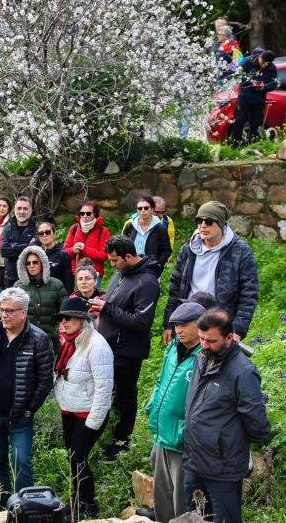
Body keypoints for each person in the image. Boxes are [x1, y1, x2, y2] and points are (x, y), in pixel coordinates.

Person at [182, 309, 271, 523]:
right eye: (201, 338)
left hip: (222, 466)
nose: (203, 345)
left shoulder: (243, 372)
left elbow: (255, 420)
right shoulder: (202, 358)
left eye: (211, 341)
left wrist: (231, 442)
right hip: (194, 459)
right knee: (194, 517)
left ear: (229, 337)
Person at [0, 287, 54, 508]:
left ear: (23, 313)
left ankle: (25, 506)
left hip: (20, 415)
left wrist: (30, 408)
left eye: (9, 311)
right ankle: (3, 503)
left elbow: (45, 380)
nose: (4, 315)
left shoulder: (38, 338)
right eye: (2, 310)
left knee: (21, 461)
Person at [92, 235, 161, 461]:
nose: (112, 266)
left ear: (129, 257)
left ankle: (121, 444)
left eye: (114, 261)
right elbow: (113, 302)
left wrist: (107, 308)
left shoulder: (147, 282)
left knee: (124, 397)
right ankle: (108, 436)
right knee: (108, 394)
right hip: (109, 345)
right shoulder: (122, 273)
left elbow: (142, 322)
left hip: (127, 351)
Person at [163, 200, 259, 345]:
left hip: (218, 325)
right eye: (199, 220)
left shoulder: (240, 251)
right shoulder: (188, 249)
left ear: (221, 224)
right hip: (188, 321)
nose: (203, 225)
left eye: (208, 221)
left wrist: (237, 331)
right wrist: (169, 323)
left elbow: (249, 294)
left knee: (212, 366)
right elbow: (175, 288)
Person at [143, 302, 206, 523]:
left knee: (182, 502)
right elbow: (161, 380)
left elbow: (205, 404)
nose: (178, 330)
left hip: (182, 439)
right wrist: (152, 406)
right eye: (176, 325)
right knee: (163, 498)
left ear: (200, 325)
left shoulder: (206, 356)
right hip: (162, 433)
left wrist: (183, 430)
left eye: (184, 325)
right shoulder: (173, 347)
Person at [53, 297, 114, 521]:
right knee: (73, 458)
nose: (63, 322)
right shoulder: (71, 342)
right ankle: (76, 501)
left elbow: (104, 387)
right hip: (70, 410)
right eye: (61, 318)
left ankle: (87, 505)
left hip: (87, 413)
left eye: (68, 318)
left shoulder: (97, 346)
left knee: (77, 458)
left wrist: (94, 421)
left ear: (81, 319)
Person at [14, 246, 68, 352]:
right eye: (28, 263)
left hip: (51, 342)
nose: (31, 266)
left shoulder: (56, 285)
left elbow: (65, 313)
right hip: (26, 341)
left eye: (35, 262)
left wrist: (57, 332)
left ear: (43, 263)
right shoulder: (18, 286)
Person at [230, 49, 281, 146]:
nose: (264, 65)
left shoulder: (272, 68)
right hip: (244, 97)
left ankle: (253, 145)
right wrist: (250, 82)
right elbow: (237, 75)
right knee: (240, 120)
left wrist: (264, 87)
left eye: (267, 64)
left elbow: (274, 83)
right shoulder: (247, 61)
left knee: (256, 124)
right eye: (263, 62)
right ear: (260, 57)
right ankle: (234, 145)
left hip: (259, 99)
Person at [63, 199, 111, 284]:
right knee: (74, 297)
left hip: (94, 274)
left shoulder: (103, 231)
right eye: (82, 213)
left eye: (88, 213)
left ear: (94, 213)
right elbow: (64, 251)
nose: (85, 216)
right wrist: (73, 250)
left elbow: (104, 255)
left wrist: (85, 249)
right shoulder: (74, 228)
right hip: (75, 273)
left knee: (92, 297)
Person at [121, 196, 172, 273]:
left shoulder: (160, 229)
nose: (143, 210)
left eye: (146, 208)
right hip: (130, 269)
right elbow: (121, 246)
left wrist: (157, 265)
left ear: (152, 210)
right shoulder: (130, 226)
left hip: (150, 272)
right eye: (140, 208)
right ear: (137, 211)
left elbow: (166, 251)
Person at [0, 196, 37, 287]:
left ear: (31, 211)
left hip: (30, 277)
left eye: (25, 208)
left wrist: (13, 246)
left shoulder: (36, 228)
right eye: (19, 208)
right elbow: (3, 250)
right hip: (10, 277)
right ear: (15, 210)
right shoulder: (7, 227)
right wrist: (26, 246)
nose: (22, 211)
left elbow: (34, 249)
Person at [36, 221, 74, 293]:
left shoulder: (63, 254)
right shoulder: (36, 255)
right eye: (41, 233)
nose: (44, 235)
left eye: (47, 232)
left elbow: (69, 281)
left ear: (54, 234)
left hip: (58, 294)